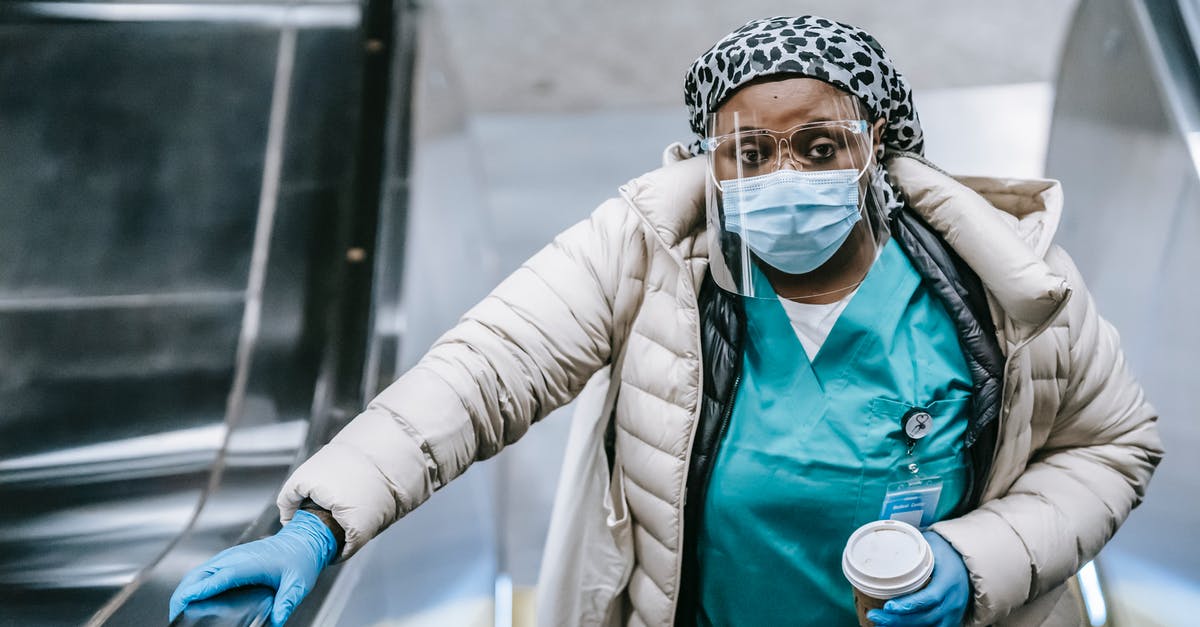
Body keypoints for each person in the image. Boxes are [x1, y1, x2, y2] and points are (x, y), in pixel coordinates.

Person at [170, 15, 1162, 627]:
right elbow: (485, 370)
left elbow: (1116, 444)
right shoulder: (651, 249)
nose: (786, 180)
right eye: (748, 154)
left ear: (881, 151)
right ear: (707, 162)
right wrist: (319, 526)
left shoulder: (1004, 284)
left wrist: (975, 562)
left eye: (821, 147)